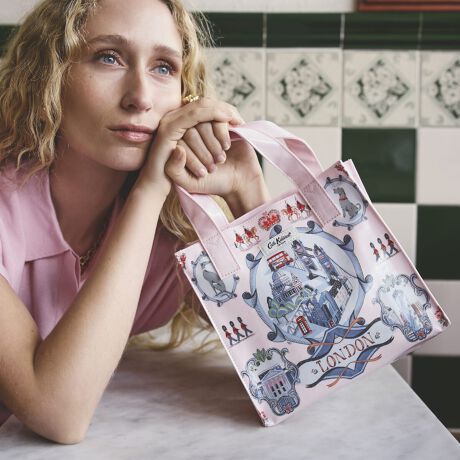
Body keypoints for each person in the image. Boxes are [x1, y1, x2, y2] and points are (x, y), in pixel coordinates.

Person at [0, 0, 269, 444]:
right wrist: (150, 189)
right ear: (48, 75)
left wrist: (247, 190)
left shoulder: (173, 228)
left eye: (163, 67)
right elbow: (59, 414)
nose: (140, 97)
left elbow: (311, 352)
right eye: (108, 58)